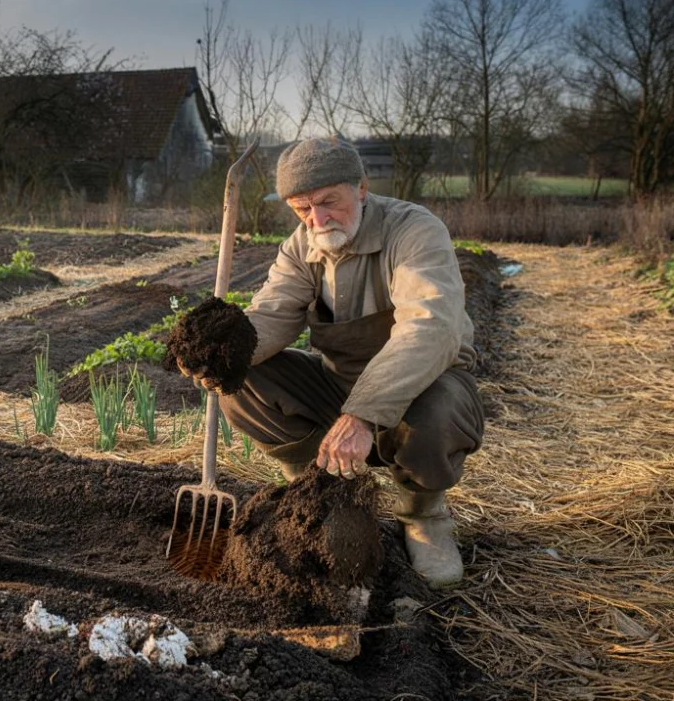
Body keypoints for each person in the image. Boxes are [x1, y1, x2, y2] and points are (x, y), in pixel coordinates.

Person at [175, 137, 484, 588]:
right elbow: (274, 314)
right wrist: (219, 350)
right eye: (303, 209)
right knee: (240, 379)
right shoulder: (301, 246)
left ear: (361, 188)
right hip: (339, 385)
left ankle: (423, 515)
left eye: (328, 202)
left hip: (423, 385)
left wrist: (362, 416)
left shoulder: (414, 231)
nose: (317, 220)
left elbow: (429, 328)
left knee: (438, 411)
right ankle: (317, 495)